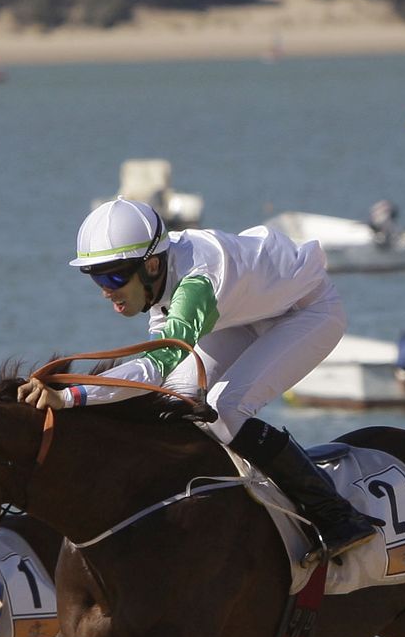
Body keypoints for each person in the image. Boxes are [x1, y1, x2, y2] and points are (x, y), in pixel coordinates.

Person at [19, 197, 378, 564]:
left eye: (114, 275)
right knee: (177, 402)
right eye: (96, 276)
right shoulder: (160, 280)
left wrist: (71, 396)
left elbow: (157, 362)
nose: (105, 290)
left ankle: (337, 515)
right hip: (241, 315)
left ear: (153, 264)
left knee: (226, 409)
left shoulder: (196, 284)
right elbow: (159, 376)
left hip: (306, 311)